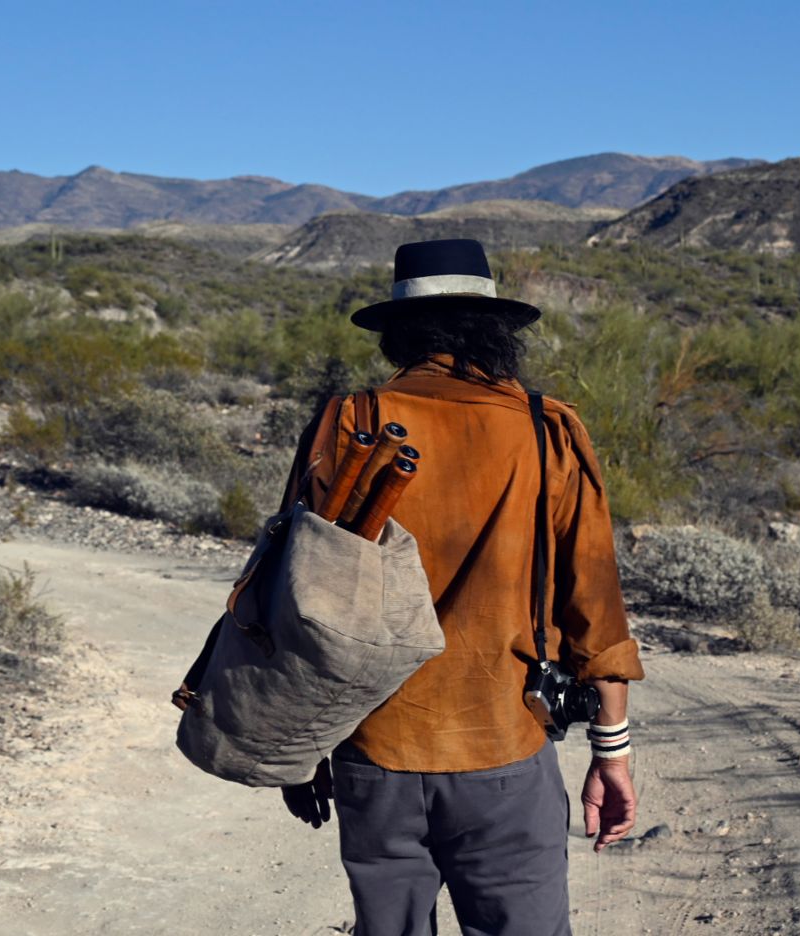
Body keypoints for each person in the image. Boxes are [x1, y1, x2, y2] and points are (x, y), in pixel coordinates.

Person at [274, 239, 644, 936]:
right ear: (497, 329)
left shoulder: (351, 422)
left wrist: (297, 748)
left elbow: (295, 596)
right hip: (504, 747)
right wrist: (611, 754)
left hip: (372, 748)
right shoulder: (546, 430)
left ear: (398, 333)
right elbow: (594, 606)